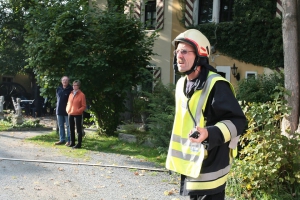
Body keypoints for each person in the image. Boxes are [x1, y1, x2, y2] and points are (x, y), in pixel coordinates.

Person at [165, 29, 247, 200]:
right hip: (191, 165)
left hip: (212, 168)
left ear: (200, 55)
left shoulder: (216, 85)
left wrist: (210, 132)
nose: (179, 56)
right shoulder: (181, 84)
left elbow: (238, 121)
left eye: (185, 51)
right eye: (177, 51)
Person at [66, 80, 86, 149]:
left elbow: (84, 106)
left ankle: (79, 143)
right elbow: (68, 103)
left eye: (75, 85)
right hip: (70, 113)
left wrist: (78, 111)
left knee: (78, 129)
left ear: (79, 86)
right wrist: (67, 109)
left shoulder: (82, 95)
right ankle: (72, 142)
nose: (74, 87)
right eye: (73, 85)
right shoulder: (71, 93)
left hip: (78, 114)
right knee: (71, 128)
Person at [55, 76, 73, 146]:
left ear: (68, 81)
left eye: (66, 80)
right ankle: (62, 139)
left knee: (68, 126)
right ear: (61, 81)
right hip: (59, 110)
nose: (64, 81)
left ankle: (69, 140)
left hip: (67, 111)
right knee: (60, 126)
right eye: (63, 80)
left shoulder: (71, 89)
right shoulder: (58, 88)